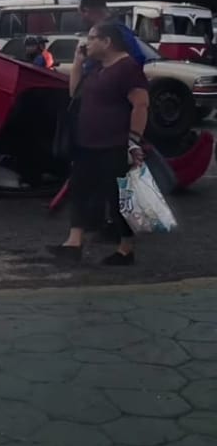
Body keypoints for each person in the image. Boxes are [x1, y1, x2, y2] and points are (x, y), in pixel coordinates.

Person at [49, 20, 149, 266]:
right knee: (80, 191)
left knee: (117, 198)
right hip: (88, 145)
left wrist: (133, 141)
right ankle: (73, 243)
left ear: (107, 42)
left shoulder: (127, 68)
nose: (87, 42)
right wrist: (78, 62)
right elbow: (75, 93)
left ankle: (126, 249)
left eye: (92, 38)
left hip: (113, 145)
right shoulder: (97, 68)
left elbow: (141, 104)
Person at [79, 0, 146, 67]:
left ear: (86, 11)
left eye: (81, 15)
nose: (82, 19)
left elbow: (137, 58)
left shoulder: (117, 29)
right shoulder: (99, 29)